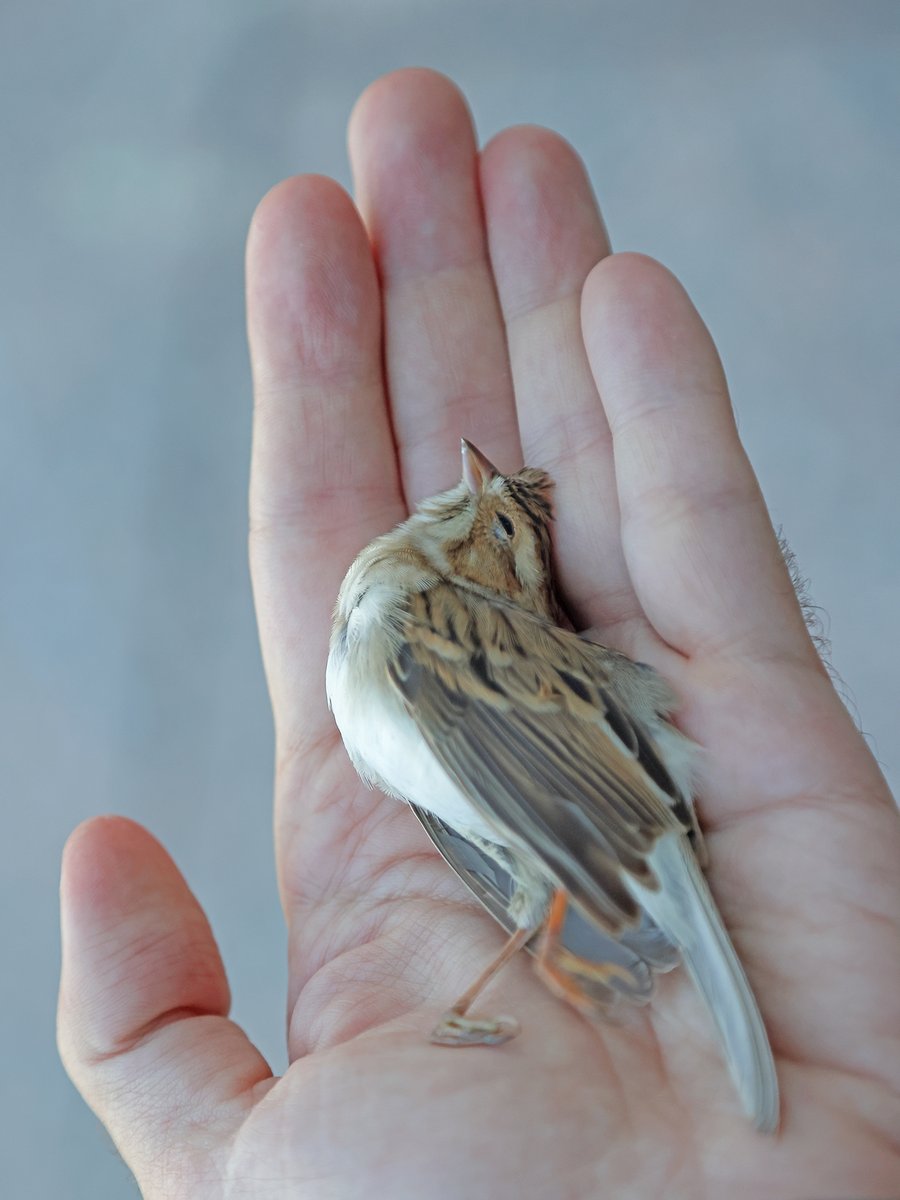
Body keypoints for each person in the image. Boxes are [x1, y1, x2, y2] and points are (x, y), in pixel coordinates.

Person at [57, 69, 900, 1197]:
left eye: (494, 517)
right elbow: (476, 787)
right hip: (572, 824)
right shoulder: (428, 608)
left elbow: (519, 768)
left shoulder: (430, 612)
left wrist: (587, 873)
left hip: (591, 813)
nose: (467, 493)